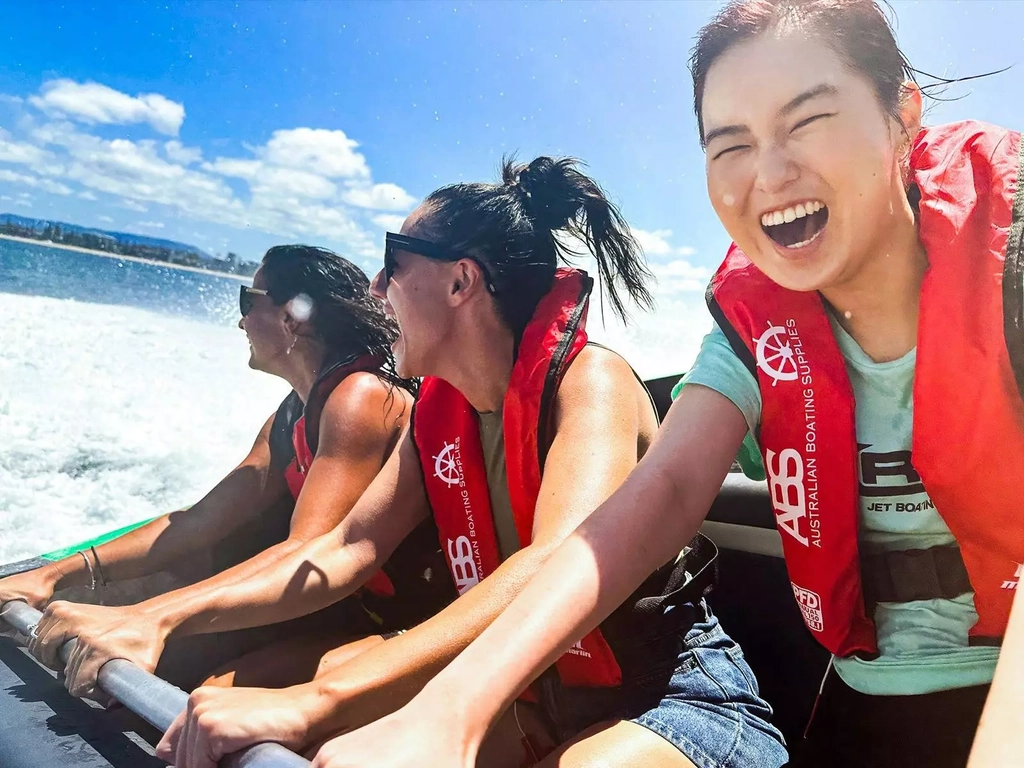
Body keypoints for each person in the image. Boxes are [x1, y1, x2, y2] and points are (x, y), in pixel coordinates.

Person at [287, 2, 1024, 767]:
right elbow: (653, 501)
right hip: (867, 695)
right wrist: (449, 712)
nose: (769, 174)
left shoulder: (1014, 261)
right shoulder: (751, 332)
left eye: (806, 121)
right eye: (730, 144)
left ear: (902, 113)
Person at [150, 156, 787, 768]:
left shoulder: (591, 382)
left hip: (673, 698)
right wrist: (157, 617)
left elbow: (555, 561)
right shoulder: (437, 414)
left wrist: (313, 702)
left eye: (391, 264)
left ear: (460, 281)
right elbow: (347, 548)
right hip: (534, 698)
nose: (375, 289)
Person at [1, 244, 451, 697]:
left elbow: (306, 552)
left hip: (406, 623)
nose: (240, 321)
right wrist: (54, 574)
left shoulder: (362, 398)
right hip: (342, 609)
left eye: (247, 302)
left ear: (292, 317)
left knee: (214, 693)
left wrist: (149, 616)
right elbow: (197, 522)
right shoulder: (295, 412)